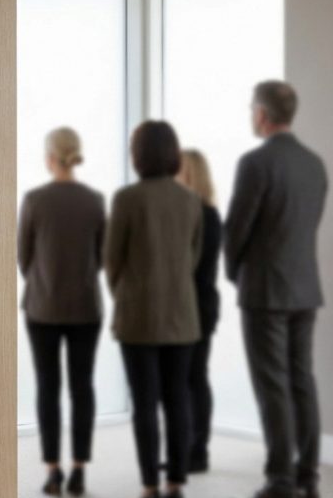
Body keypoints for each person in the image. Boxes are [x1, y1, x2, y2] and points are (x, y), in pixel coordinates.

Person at [224, 81, 328, 498]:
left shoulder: (255, 162)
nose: (252, 116)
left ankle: (281, 480)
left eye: (252, 109)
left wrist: (234, 270)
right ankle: (308, 477)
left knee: (273, 384)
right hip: (305, 286)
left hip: (265, 289)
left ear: (263, 114)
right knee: (302, 379)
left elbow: (237, 229)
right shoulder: (314, 163)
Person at [105, 121, 203, 498]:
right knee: (178, 399)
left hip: (138, 317)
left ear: (138, 154)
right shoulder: (190, 200)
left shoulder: (127, 198)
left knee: (144, 404)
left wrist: (126, 292)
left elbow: (112, 261)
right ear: (173, 153)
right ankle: (176, 480)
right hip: (182, 315)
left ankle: (150, 484)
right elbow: (192, 257)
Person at [18, 127, 106, 496]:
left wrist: (42, 280)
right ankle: (79, 469)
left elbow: (23, 257)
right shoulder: (95, 200)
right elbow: (102, 256)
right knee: (82, 387)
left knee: (48, 387)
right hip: (86, 305)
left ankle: (53, 471)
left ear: (50, 157)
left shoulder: (35, 200)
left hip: (43, 306)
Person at [176, 149, 223, 473]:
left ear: (189, 174)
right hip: (204, 303)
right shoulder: (211, 213)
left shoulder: (194, 214)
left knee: (188, 378)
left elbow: (187, 266)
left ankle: (195, 450)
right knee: (195, 377)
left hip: (192, 304)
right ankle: (195, 448)